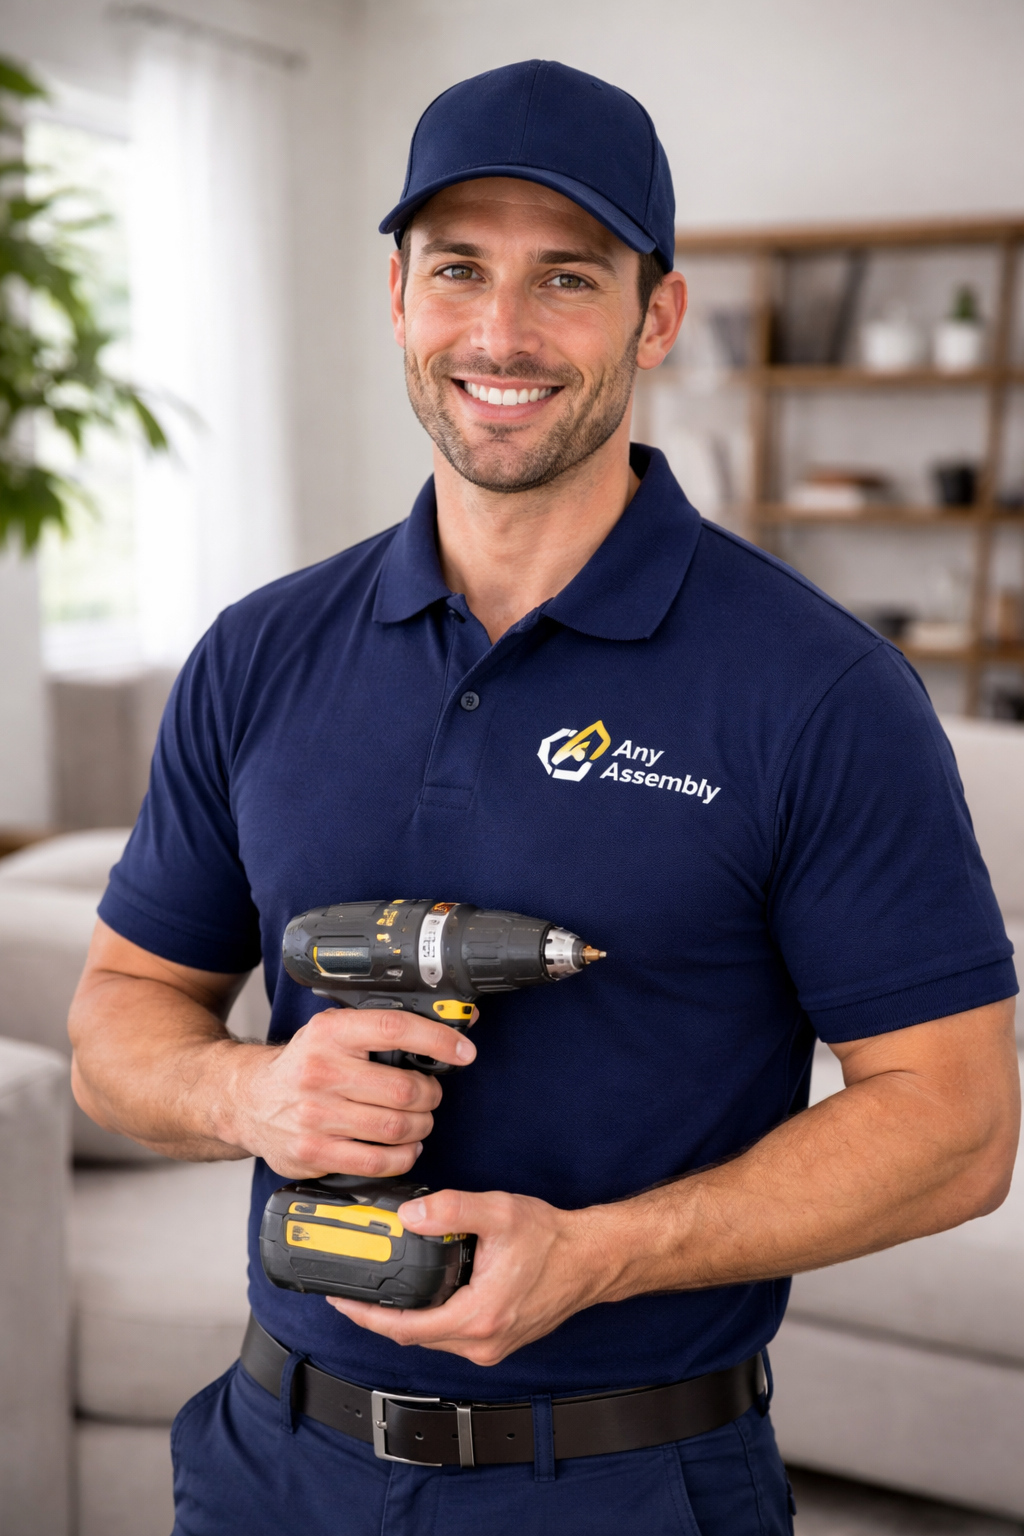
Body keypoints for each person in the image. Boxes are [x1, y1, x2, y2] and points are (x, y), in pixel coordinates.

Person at [69, 59, 1019, 1536]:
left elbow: (957, 1125)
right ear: (398, 295)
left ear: (658, 316)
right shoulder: (259, 652)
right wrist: (248, 1089)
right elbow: (118, 1019)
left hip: (625, 1483)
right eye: (458, 268)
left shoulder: (818, 690)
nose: (499, 333)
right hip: (271, 1460)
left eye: (566, 278)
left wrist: (602, 1254)